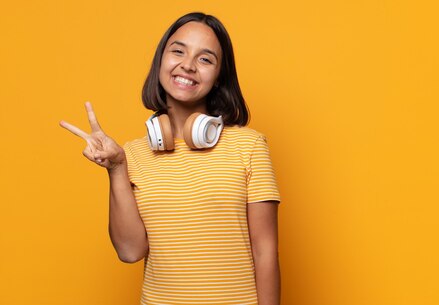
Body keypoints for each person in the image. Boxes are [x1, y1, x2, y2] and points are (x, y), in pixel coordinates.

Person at [59, 12, 282, 305]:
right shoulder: (132, 155)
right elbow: (130, 251)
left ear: (218, 78)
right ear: (160, 62)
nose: (188, 65)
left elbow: (265, 251)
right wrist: (115, 169)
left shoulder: (248, 145)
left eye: (205, 59)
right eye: (178, 51)